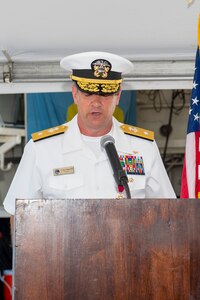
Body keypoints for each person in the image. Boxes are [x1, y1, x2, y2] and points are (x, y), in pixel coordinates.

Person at [3, 51, 176, 219]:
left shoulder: (144, 147)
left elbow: (168, 212)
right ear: (75, 94)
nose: (96, 103)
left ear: (118, 96)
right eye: (88, 93)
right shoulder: (41, 149)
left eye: (105, 94)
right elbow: (18, 214)